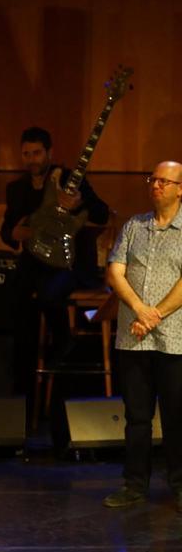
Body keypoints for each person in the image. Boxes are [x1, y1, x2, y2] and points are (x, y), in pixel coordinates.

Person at [1, 126, 110, 391]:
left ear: (50, 153)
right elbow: (7, 230)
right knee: (15, 297)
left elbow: (102, 214)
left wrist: (79, 203)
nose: (32, 160)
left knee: (47, 291)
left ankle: (63, 345)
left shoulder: (70, 179)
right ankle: (23, 381)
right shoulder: (16, 189)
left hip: (69, 263)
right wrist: (15, 233)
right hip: (33, 262)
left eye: (37, 153)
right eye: (26, 154)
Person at [101, 161, 182, 510]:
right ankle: (134, 484)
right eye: (153, 179)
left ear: (180, 189)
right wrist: (139, 309)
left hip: (175, 339)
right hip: (133, 337)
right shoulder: (135, 226)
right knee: (136, 417)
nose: (156, 186)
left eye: (165, 181)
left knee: (177, 416)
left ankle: (180, 485)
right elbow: (115, 272)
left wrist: (154, 315)